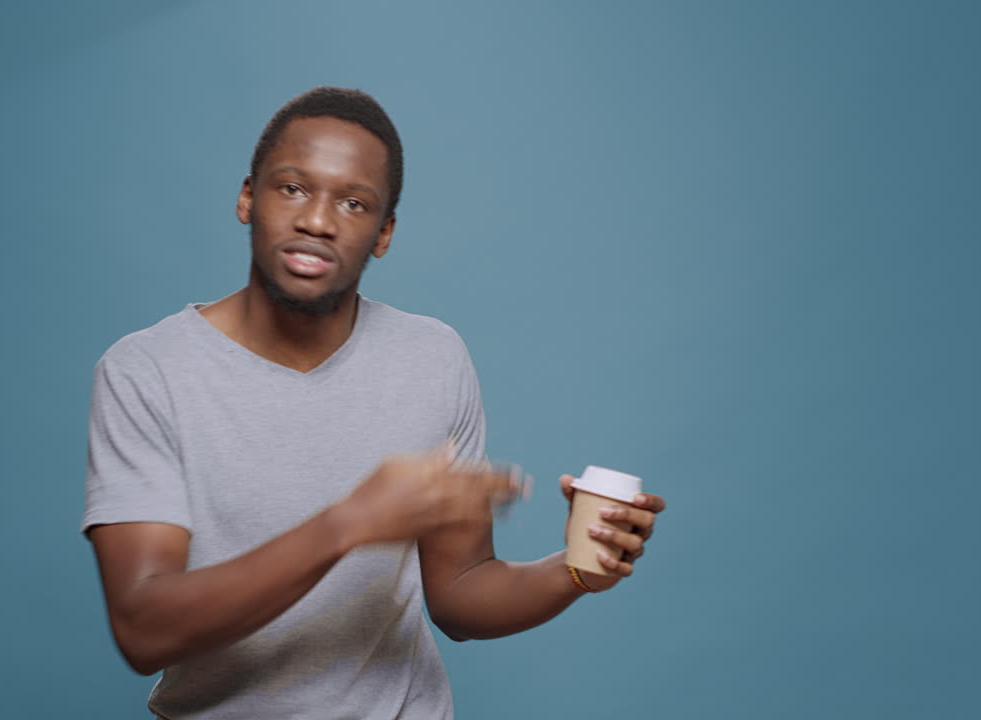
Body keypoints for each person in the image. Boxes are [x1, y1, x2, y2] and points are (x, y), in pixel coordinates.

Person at [83, 86, 666, 719]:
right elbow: (146, 630)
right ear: (247, 197)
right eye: (292, 188)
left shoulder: (432, 357)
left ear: (383, 233)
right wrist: (351, 522)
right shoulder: (147, 371)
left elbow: (460, 597)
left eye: (354, 203)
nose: (318, 220)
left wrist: (577, 572)